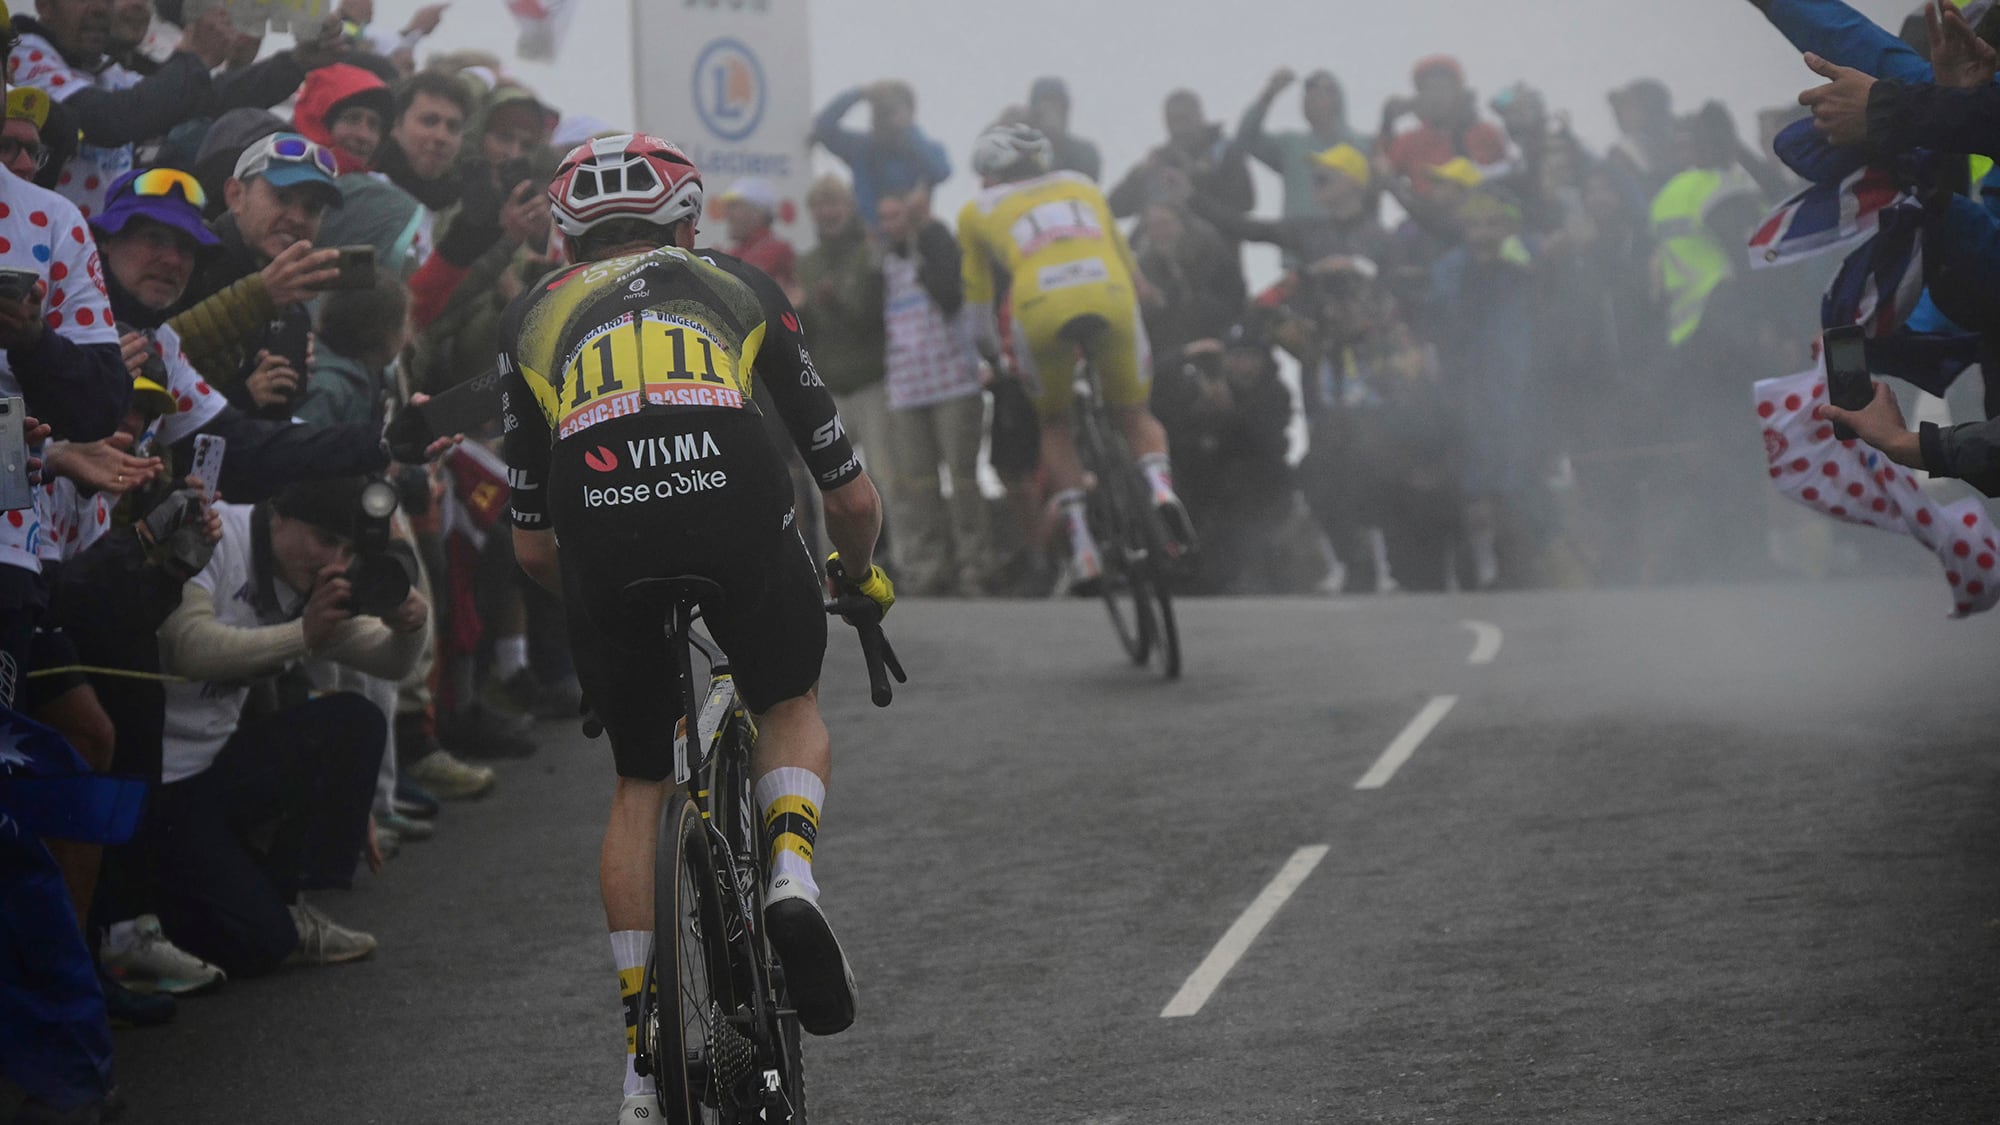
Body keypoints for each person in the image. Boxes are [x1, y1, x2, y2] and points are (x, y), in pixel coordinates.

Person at [498, 134, 887, 1124]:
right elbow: (845, 491)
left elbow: (533, 550)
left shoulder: (533, 316)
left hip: (598, 523)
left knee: (639, 780)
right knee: (787, 699)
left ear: (564, 238)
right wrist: (857, 575)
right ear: (687, 219)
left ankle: (639, 1064)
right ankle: (790, 873)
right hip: (730, 493)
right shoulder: (739, 282)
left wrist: (598, 622)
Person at [147, 477, 432, 977]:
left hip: (213, 769)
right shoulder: (218, 533)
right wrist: (302, 635)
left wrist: (411, 624)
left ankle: (283, 895)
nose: (336, 563)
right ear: (278, 515)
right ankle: (189, 905)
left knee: (352, 721)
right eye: (325, 540)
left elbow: (391, 664)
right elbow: (185, 645)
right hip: (152, 781)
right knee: (262, 943)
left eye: (348, 549)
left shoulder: (312, 578)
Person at [958, 124, 1193, 586]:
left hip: (1039, 307)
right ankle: (1160, 488)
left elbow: (978, 310)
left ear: (989, 174)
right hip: (1110, 292)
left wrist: (995, 359)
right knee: (1133, 413)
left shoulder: (974, 212)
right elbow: (1128, 262)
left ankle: (1083, 546)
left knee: (1056, 424)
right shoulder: (1082, 185)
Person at [876, 188, 992, 597]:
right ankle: (930, 568)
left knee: (962, 479)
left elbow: (951, 295)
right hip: (907, 385)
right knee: (919, 482)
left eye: (898, 216)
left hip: (953, 379)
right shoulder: (883, 261)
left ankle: (973, 566)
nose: (891, 225)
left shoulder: (939, 244)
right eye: (885, 218)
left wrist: (923, 241)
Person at [1235, 67, 1365, 224]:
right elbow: (1246, 138)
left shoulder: (1361, 146)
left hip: (1349, 245)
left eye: (1318, 92)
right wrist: (1269, 95)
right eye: (1307, 94)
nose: (1309, 97)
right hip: (1296, 244)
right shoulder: (1290, 145)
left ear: (1336, 98)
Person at [811, 80, 951, 222]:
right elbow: (823, 128)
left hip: (911, 235)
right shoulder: (862, 147)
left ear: (910, 113)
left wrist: (909, 130)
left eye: (891, 111)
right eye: (881, 111)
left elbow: (941, 170)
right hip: (868, 234)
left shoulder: (923, 150)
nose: (885, 118)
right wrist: (860, 94)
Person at [1108, 89, 1255, 221]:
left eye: (1184, 119)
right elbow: (1113, 210)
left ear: (1200, 116)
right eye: (1172, 121)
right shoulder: (1159, 160)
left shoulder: (1225, 152)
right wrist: (1137, 176)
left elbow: (1245, 203)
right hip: (1158, 247)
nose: (1178, 128)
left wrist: (1194, 186)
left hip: (1214, 246)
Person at [1380, 55, 1510, 189]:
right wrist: (1387, 124)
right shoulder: (1409, 142)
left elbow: (1504, 179)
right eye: (1428, 89)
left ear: (1458, 91)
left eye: (1443, 88)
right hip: (1425, 209)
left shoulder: (1486, 134)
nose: (1436, 96)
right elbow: (1380, 171)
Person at [718, 176, 797, 295]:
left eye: (735, 207)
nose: (729, 215)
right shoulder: (734, 253)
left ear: (758, 213)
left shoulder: (778, 251)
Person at [1027, 76, 1101, 181]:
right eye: (1047, 105)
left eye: (1059, 107)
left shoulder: (1084, 153)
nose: (1053, 113)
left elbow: (1084, 183)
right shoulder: (1020, 150)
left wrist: (1054, 139)